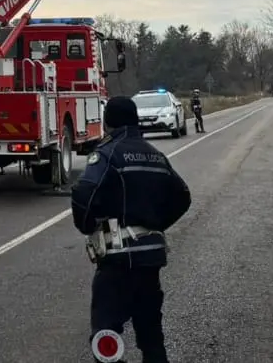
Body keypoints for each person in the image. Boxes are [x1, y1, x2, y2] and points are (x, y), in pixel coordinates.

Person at [71, 95, 192, 363]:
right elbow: (183, 196)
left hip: (117, 259)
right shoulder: (156, 155)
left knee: (105, 335)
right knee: (151, 333)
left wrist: (88, 225)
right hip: (150, 260)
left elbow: (84, 193)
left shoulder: (107, 154)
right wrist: (156, 224)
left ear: (107, 122)